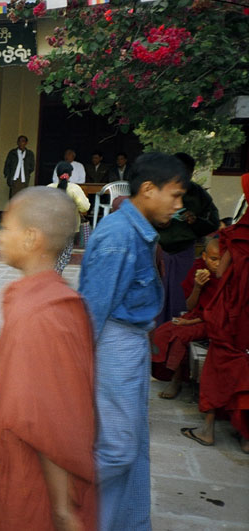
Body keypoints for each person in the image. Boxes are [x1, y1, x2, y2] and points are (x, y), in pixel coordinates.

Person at [0, 187, 97, 531]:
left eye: (6, 227)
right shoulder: (38, 297)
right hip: (12, 450)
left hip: (30, 473)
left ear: (30, 238)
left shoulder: (46, 313)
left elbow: (49, 423)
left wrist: (62, 509)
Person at [79, 152, 189, 531]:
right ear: (147, 189)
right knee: (116, 450)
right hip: (114, 346)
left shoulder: (136, 230)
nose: (179, 205)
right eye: (174, 195)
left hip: (131, 345)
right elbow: (91, 312)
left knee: (133, 447)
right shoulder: (117, 237)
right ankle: (75, 514)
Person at [181, 172, 249, 454]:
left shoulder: (237, 235)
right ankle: (245, 438)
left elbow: (220, 272)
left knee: (218, 367)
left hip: (233, 314)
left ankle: (208, 430)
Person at [152, 238, 221, 399]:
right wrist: (197, 286)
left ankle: (176, 381)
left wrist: (188, 322)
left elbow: (219, 312)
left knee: (179, 336)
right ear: (203, 256)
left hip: (214, 322)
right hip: (197, 315)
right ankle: (166, 373)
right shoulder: (198, 269)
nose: (217, 264)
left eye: (221, 259)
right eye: (213, 259)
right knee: (162, 332)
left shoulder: (227, 276)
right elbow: (190, 306)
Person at [155, 152, 219, 324]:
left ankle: (178, 337)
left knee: (181, 297)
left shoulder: (198, 194)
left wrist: (195, 221)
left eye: (188, 173)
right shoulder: (157, 189)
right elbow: (141, 217)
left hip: (184, 254)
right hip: (157, 253)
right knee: (156, 300)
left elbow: (213, 222)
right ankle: (156, 340)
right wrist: (158, 222)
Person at [48, 162, 91, 274]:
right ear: (70, 174)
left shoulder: (49, 188)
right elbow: (85, 207)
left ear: (57, 174)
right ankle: (56, 274)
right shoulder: (74, 189)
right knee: (64, 255)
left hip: (51, 228)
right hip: (69, 228)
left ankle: (51, 274)